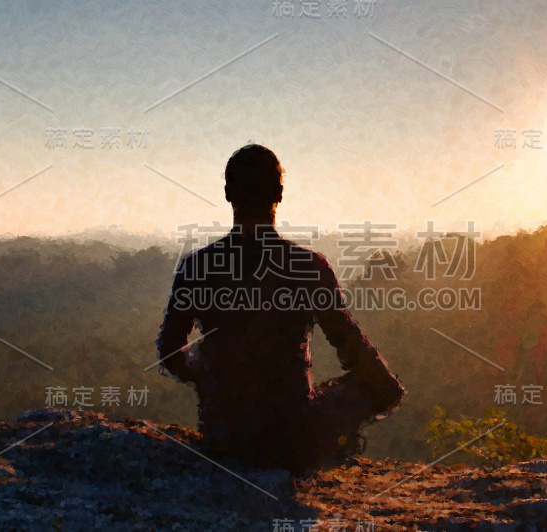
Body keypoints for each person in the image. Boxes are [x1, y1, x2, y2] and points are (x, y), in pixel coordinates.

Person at [156, 144, 406, 475]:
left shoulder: (198, 266)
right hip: (294, 434)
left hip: (225, 433)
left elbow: (169, 351)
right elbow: (349, 343)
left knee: (205, 350)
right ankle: (333, 453)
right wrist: (387, 387)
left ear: (229, 194)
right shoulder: (308, 266)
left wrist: (207, 374)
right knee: (377, 388)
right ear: (280, 193)